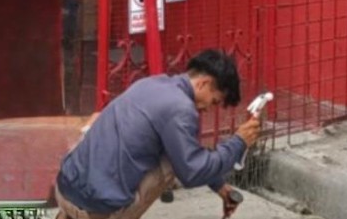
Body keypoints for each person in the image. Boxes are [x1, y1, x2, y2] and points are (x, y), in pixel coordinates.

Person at [53, 49, 261, 218]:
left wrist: (220, 187)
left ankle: (68, 215)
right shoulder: (181, 109)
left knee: (173, 147)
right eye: (214, 101)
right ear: (203, 83)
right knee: (173, 163)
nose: (208, 109)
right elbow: (191, 171)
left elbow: (185, 152)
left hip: (64, 189)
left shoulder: (152, 83)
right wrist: (238, 143)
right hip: (96, 208)